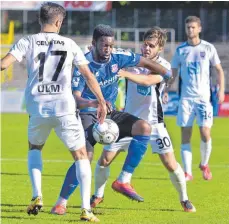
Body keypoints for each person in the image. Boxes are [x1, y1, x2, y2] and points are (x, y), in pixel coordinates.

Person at [0, 2, 107, 222]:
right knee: (80, 155)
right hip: (64, 107)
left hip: (37, 107)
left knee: (35, 147)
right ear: (59, 22)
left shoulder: (27, 41)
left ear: (40, 20)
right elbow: (88, 74)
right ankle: (86, 210)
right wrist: (102, 101)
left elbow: (3, 65)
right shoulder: (70, 44)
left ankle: (37, 195)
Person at [51, 24, 172, 215]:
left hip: (110, 111)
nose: (108, 49)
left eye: (110, 45)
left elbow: (144, 62)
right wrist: (94, 103)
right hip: (87, 113)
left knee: (144, 128)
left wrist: (166, 73)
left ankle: (123, 179)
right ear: (94, 44)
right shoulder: (83, 65)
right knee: (86, 158)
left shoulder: (118, 57)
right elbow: (76, 98)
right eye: (103, 45)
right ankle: (61, 202)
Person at [88, 27, 196, 212]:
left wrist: (125, 74)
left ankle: (184, 199)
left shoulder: (164, 66)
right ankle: (97, 195)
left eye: (151, 46)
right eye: (145, 44)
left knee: (170, 164)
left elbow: (147, 81)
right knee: (105, 159)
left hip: (154, 124)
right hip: (129, 122)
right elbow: (111, 60)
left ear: (159, 49)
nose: (146, 48)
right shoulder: (132, 60)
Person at [163, 16, 225, 181]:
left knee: (205, 132)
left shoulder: (208, 48)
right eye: (188, 27)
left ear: (199, 29)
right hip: (186, 99)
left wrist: (221, 90)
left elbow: (219, 70)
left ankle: (204, 164)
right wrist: (167, 89)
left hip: (203, 99)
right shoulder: (181, 50)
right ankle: (187, 172)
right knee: (186, 133)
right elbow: (173, 72)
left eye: (193, 27)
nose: (190, 30)